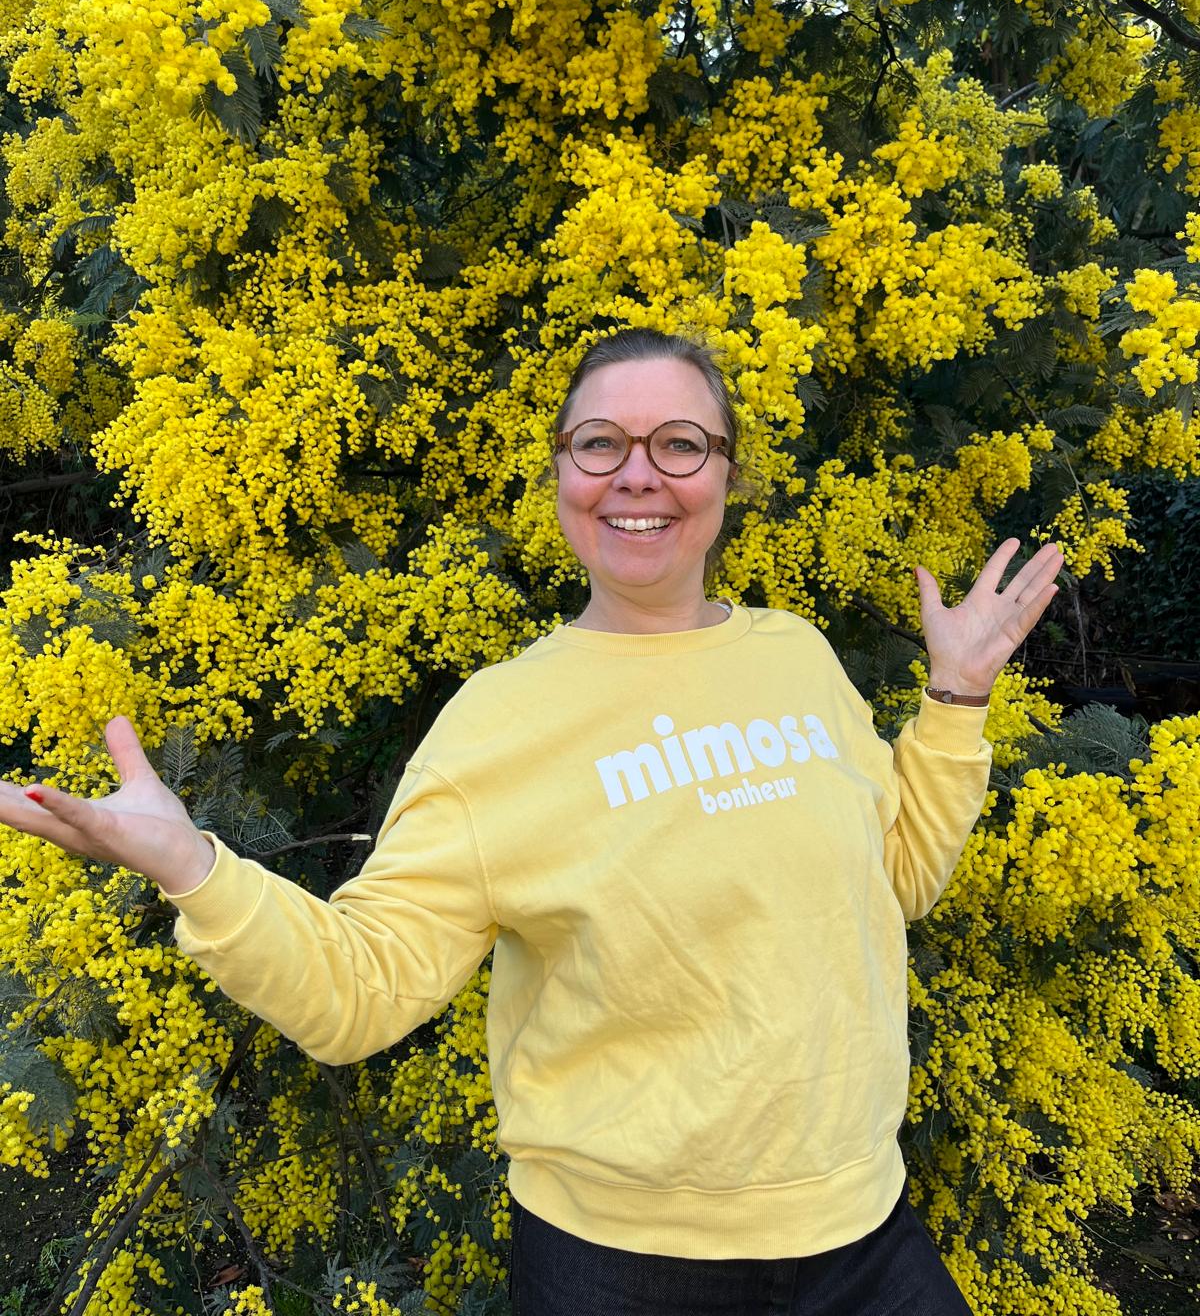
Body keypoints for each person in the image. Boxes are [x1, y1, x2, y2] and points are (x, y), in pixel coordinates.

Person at [0, 326, 1064, 1315]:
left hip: (862, 1230)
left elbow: (895, 880)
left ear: (726, 475)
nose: (637, 474)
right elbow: (360, 993)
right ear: (561, 474)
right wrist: (194, 867)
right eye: (600, 443)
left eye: (679, 443)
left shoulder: (797, 654)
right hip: (622, 1266)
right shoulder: (495, 724)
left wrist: (956, 700)